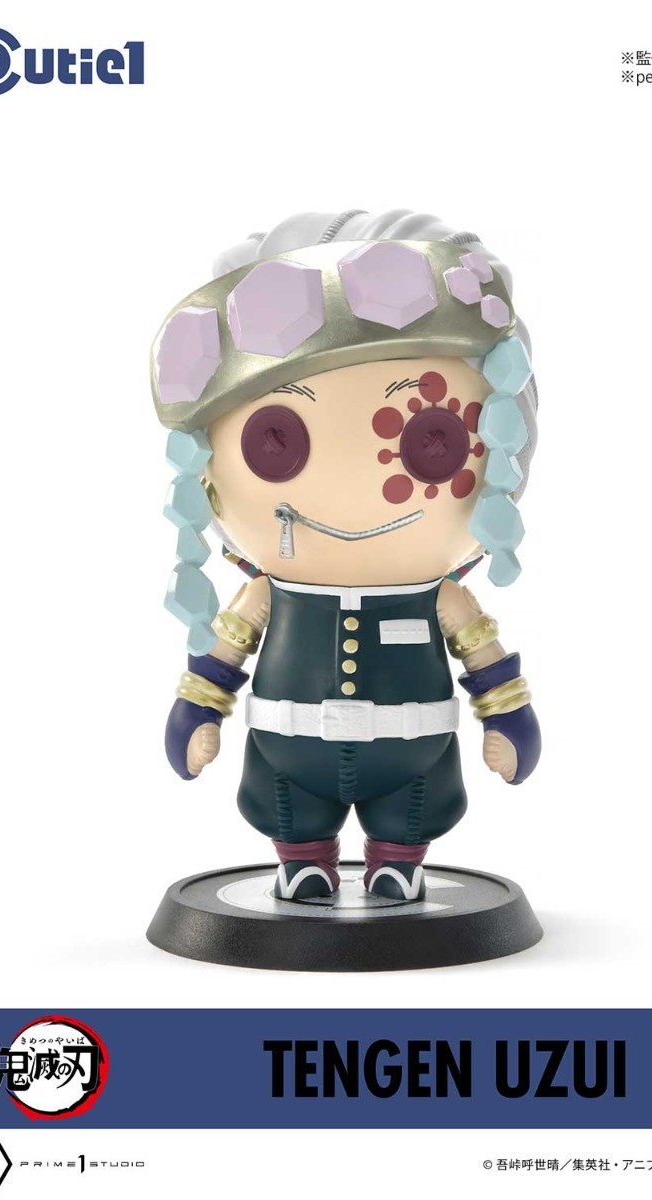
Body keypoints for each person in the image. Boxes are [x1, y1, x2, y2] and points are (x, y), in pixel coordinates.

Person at [153, 210, 541, 903]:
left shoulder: (441, 597)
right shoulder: (267, 594)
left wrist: (507, 713)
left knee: (411, 808)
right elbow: (224, 648)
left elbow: (482, 653)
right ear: (206, 468)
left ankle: (400, 860)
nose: (354, 485)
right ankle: (301, 860)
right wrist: (199, 707)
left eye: (432, 440)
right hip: (286, 755)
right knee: (288, 806)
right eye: (276, 441)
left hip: (415, 760)